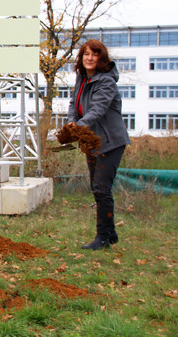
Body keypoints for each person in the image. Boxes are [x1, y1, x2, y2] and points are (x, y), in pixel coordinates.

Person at [65, 39, 131, 250]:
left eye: (94, 54)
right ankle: (110, 233)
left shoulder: (106, 82)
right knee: (97, 189)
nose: (89, 58)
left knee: (102, 188)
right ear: (81, 58)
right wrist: (70, 123)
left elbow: (97, 109)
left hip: (110, 142)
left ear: (101, 58)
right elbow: (74, 104)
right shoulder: (82, 78)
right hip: (91, 141)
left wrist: (79, 127)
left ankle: (102, 238)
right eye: (86, 54)